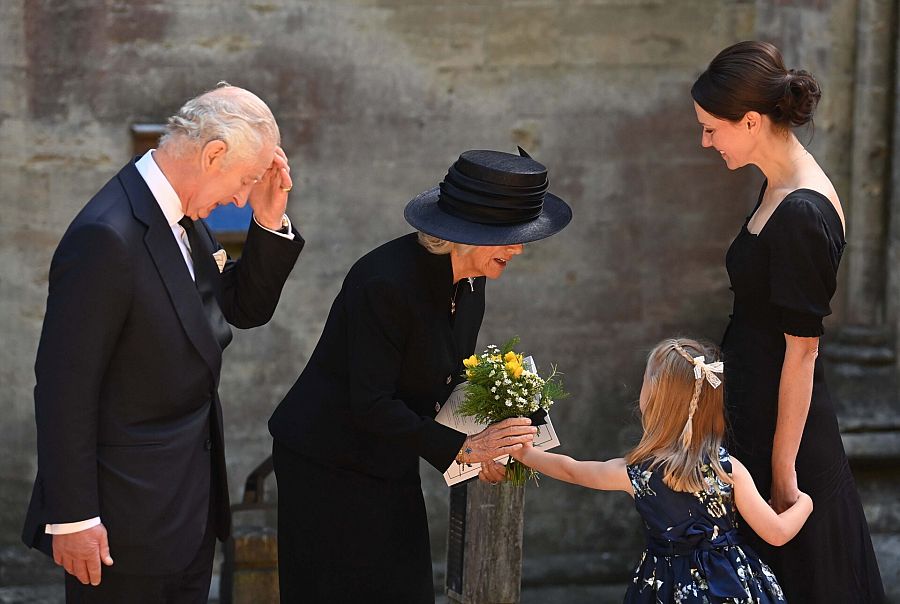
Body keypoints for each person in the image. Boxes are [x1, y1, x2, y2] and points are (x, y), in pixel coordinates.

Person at [21, 84, 304, 603]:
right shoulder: (106, 236)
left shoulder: (182, 213)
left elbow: (242, 310)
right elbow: (65, 387)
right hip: (122, 521)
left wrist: (267, 219)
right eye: (244, 181)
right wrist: (74, 517)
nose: (241, 198)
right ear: (213, 153)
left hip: (187, 508)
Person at [268, 148, 572, 603]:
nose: (519, 249)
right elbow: (371, 403)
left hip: (387, 454)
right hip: (325, 462)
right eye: (509, 237)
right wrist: (464, 449)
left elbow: (446, 379)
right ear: (468, 235)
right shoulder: (385, 283)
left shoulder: (472, 280)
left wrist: (482, 448)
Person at [691, 41, 885, 602]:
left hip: (786, 435)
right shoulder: (775, 183)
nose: (705, 142)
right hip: (753, 410)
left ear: (750, 121)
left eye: (711, 129)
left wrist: (781, 473)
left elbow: (802, 352)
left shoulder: (803, 210)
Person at [512, 337, 812, 603]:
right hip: (734, 585)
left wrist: (525, 453)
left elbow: (572, 470)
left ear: (653, 399)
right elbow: (777, 532)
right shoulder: (727, 469)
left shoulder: (639, 474)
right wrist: (806, 503)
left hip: (665, 587)